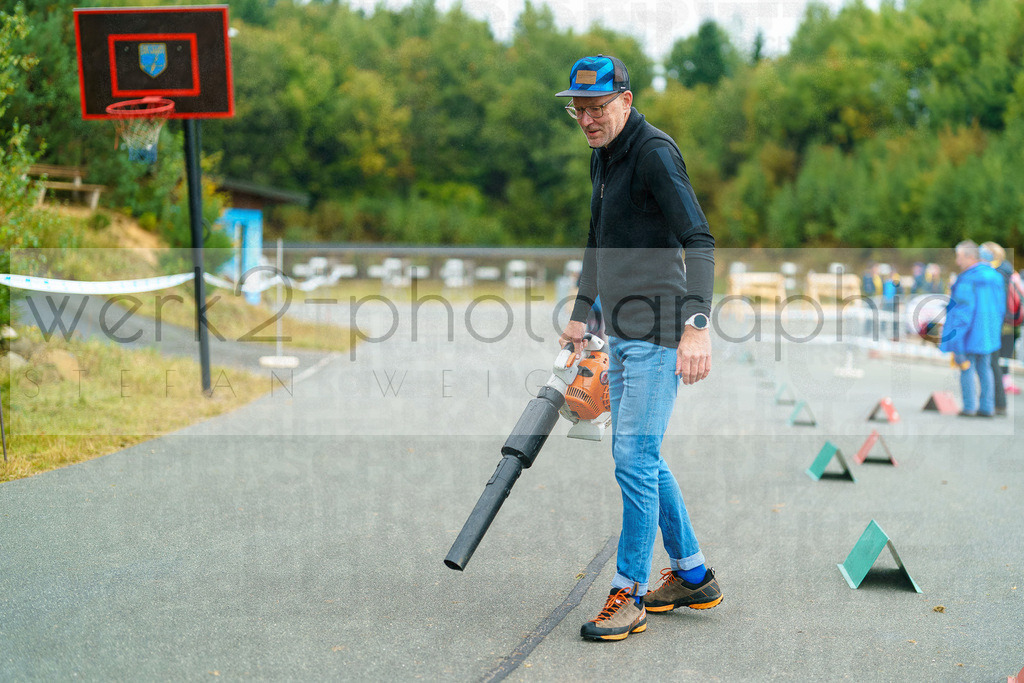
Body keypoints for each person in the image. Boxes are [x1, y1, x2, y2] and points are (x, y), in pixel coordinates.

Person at [555, 54, 719, 642]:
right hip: (620, 335)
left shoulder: (653, 153)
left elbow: (699, 238)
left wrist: (697, 327)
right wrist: (581, 314)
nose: (588, 119)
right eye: (580, 109)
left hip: (659, 334)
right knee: (643, 457)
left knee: (632, 459)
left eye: (598, 108)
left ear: (625, 101)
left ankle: (628, 592)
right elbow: (599, 239)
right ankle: (694, 574)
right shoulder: (602, 157)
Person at [939, 241, 1005, 417]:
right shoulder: (995, 276)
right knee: (985, 368)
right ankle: (987, 407)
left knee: (966, 367)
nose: (957, 261)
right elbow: (1000, 307)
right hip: (988, 332)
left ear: (970, 257)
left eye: (959, 257)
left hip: (968, 333)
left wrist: (955, 337)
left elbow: (963, 312)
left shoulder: (968, 279)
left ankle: (969, 407)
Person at [979, 241, 1024, 415]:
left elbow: (995, 302)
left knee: (993, 362)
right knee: (994, 362)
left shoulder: (998, 273)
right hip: (1007, 323)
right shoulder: (1007, 271)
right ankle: (996, 401)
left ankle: (997, 402)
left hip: (1000, 324)